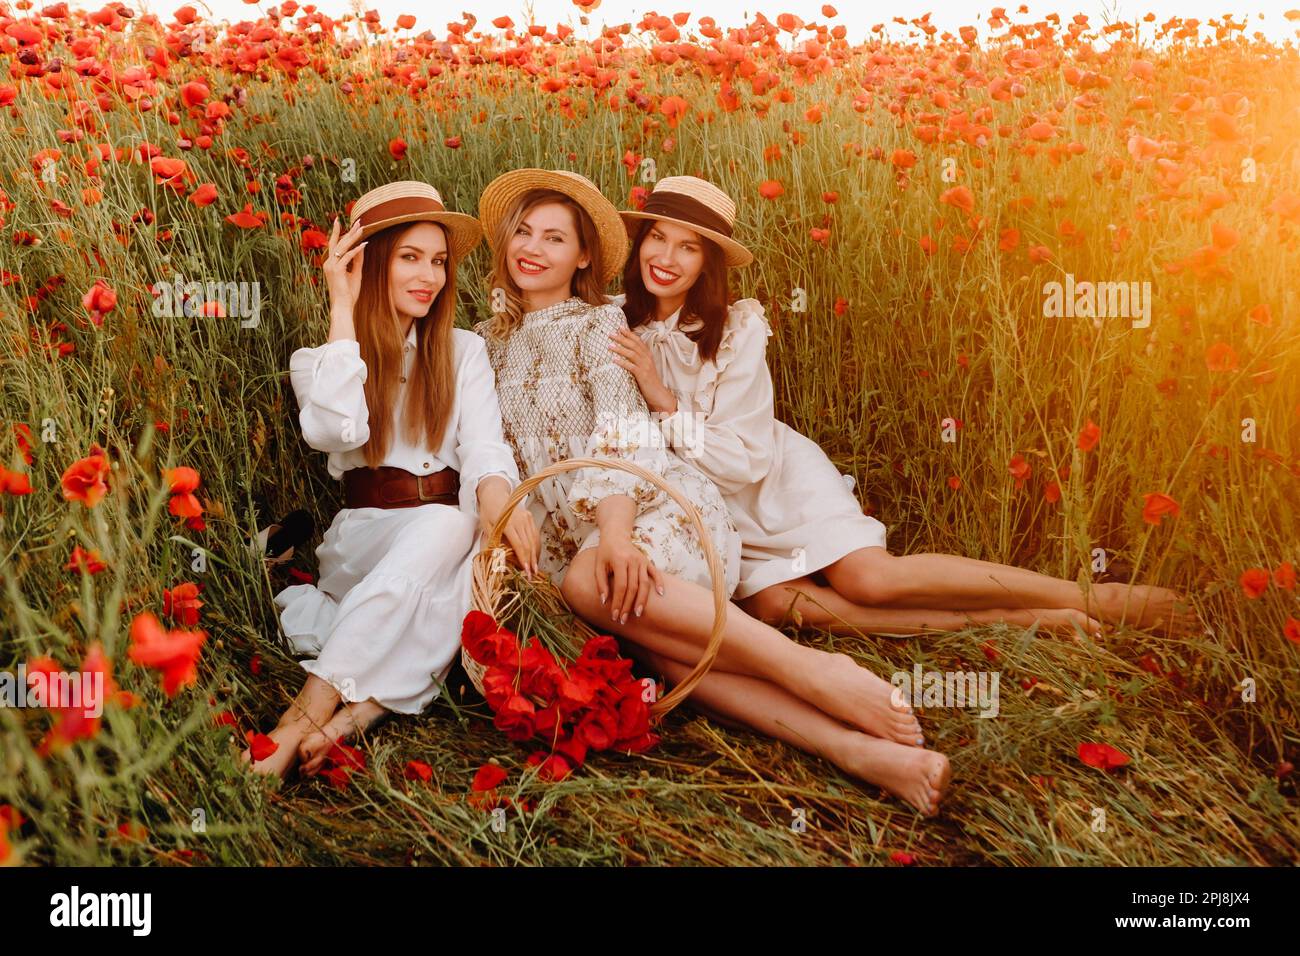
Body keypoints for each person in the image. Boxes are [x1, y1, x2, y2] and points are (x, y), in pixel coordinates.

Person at [473, 168, 950, 817]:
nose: (533, 247)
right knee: (672, 666)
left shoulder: (600, 325)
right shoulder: (482, 346)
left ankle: (812, 672)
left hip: (653, 511)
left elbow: (624, 432)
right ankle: (859, 753)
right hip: (571, 548)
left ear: (584, 256)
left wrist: (613, 534)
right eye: (523, 232)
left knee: (594, 581)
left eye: (555, 238)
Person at [607, 175, 1196, 637]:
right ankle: (1021, 621)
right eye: (658, 237)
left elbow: (743, 461)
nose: (668, 257)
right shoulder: (608, 321)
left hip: (767, 478)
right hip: (711, 512)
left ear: (708, 263)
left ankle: (1094, 596)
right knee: (780, 607)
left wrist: (660, 395)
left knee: (870, 580)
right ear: (640, 242)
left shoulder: (735, 331)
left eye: (689, 247)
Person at [245, 181, 533, 779]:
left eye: (438, 261)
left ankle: (336, 719)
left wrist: (504, 509)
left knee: (462, 534)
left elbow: (484, 447)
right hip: (367, 541)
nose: (428, 275)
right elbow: (334, 430)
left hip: (445, 540)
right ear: (369, 262)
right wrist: (342, 308)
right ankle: (322, 708)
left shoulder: (463, 350)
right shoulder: (323, 359)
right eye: (409, 257)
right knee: (450, 531)